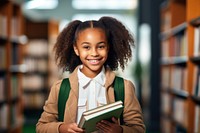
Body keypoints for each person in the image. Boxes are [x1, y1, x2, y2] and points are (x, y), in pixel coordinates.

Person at [36, 16, 145, 133]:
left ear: (108, 48)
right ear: (76, 49)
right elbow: (41, 127)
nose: (94, 53)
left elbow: (138, 129)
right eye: (86, 47)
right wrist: (61, 128)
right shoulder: (60, 88)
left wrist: (119, 130)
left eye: (101, 46)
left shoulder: (124, 87)